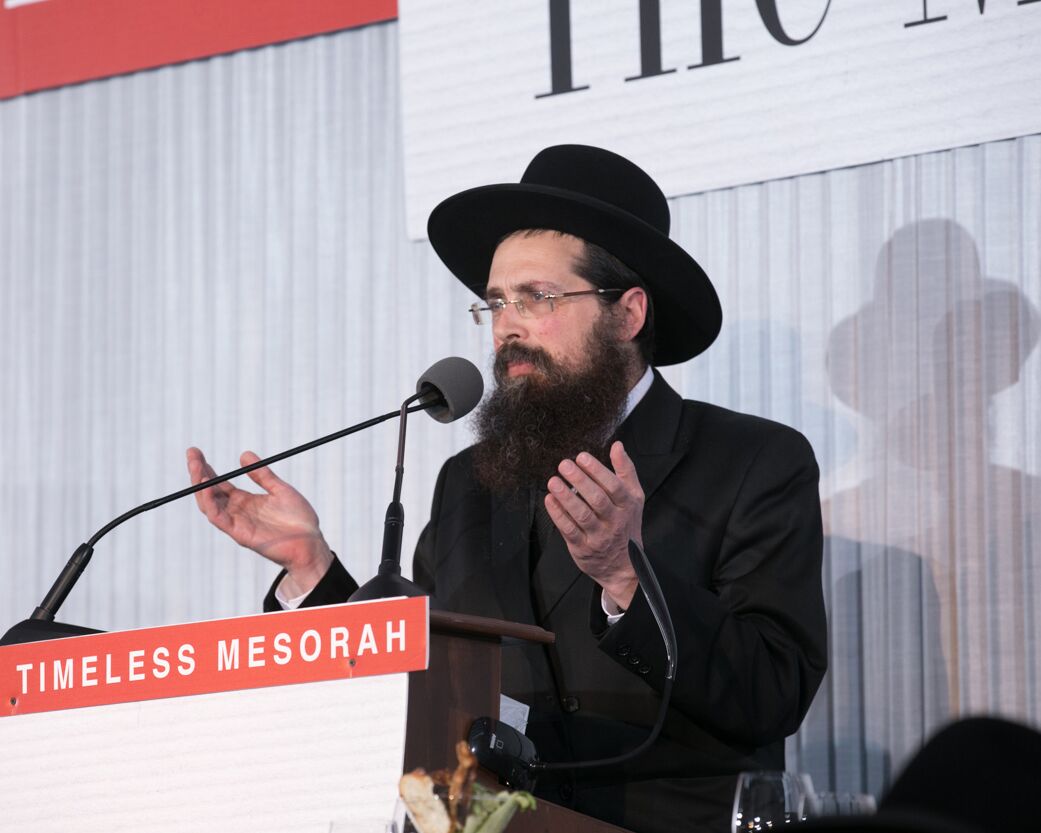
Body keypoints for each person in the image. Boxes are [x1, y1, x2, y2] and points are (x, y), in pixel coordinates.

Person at [186, 145, 828, 833]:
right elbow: (425, 675)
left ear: (628, 313)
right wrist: (311, 568)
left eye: (537, 298)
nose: (507, 327)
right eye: (495, 303)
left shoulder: (752, 460)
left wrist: (625, 576)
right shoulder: (468, 482)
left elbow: (773, 693)